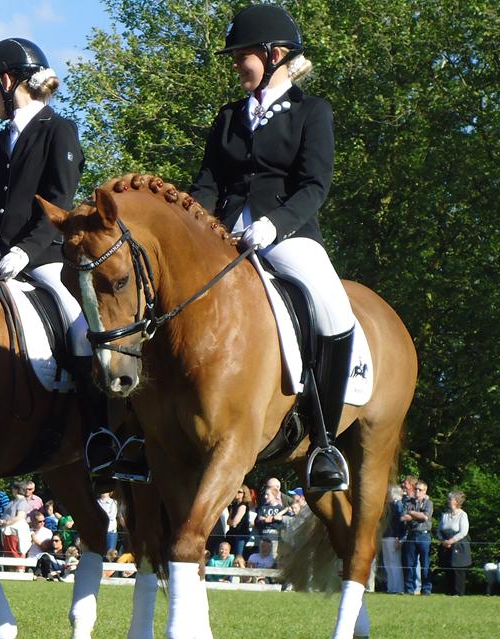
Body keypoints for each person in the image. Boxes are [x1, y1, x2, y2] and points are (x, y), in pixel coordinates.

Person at [189, 4, 355, 493]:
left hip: (288, 235)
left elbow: (314, 186)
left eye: (243, 55)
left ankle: (324, 442)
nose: (237, 64)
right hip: (223, 237)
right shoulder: (227, 118)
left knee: (333, 312)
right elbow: (205, 185)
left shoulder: (312, 112)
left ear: (274, 54)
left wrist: (273, 225)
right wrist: (193, 227)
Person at [0, 37, 134, 481]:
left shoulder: (60, 130)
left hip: (46, 255)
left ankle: (99, 435)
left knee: (80, 326)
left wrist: (23, 249)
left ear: (6, 80)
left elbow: (59, 198)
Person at [400, 479, 433, 594]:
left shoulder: (429, 503)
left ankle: (426, 589)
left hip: (424, 536)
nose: (417, 491)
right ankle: (409, 589)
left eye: (420, 489)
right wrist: (418, 515)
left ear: (425, 491)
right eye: (416, 489)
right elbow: (403, 517)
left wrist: (412, 513)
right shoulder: (408, 502)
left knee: (425, 564)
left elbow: (425, 517)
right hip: (411, 535)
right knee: (409, 564)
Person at [436, 491, 471, 596]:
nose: (448, 501)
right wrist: (443, 541)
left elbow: (463, 532)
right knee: (448, 569)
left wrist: (451, 541)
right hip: (446, 545)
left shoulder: (463, 515)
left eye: (450, 499)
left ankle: (458, 592)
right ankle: (449, 592)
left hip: (459, 545)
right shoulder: (445, 515)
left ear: (456, 501)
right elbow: (439, 529)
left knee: (458, 570)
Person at [381, 483, 406, 593]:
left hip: (393, 537)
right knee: (388, 563)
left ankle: (398, 588)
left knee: (394, 563)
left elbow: (400, 524)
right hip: (386, 536)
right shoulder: (389, 505)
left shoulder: (398, 505)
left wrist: (398, 538)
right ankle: (390, 587)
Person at [226, 484, 253, 560]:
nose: (236, 493)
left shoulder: (243, 506)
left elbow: (234, 522)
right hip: (232, 533)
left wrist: (232, 522)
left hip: (241, 534)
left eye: (239, 492)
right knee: (229, 555)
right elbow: (228, 522)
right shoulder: (233, 505)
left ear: (244, 494)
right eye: (235, 491)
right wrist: (232, 522)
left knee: (238, 556)